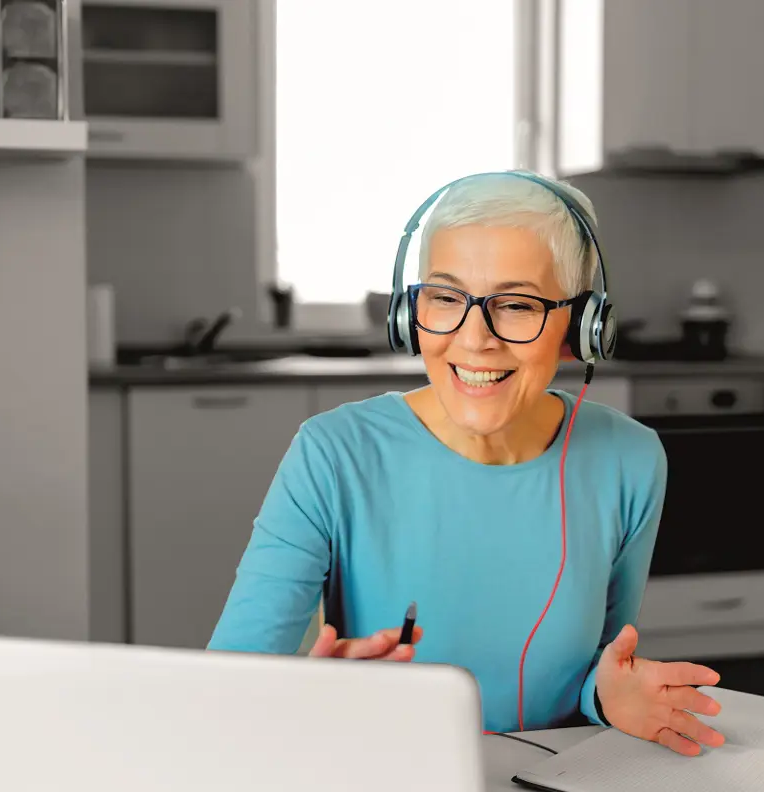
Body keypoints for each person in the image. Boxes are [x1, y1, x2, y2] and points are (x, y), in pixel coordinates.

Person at [207, 171, 726, 756]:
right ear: (409, 313)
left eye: (517, 305)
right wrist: (308, 699)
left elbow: (597, 668)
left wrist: (605, 697)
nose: (475, 339)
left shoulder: (629, 460)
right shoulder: (333, 453)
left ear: (582, 326)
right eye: (446, 298)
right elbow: (227, 692)